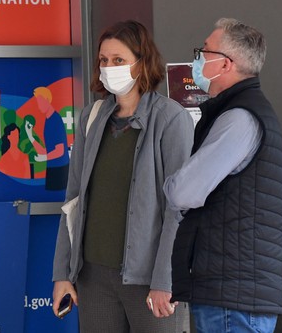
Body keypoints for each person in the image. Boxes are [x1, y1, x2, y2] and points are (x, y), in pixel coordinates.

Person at [52, 20, 194, 332]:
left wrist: (166, 279)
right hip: (93, 279)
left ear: (143, 63)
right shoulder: (91, 117)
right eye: (104, 60)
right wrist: (63, 273)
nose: (109, 67)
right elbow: (73, 200)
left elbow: (179, 209)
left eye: (119, 60)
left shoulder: (171, 119)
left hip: (149, 281)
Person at [164, 18, 282, 333]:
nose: (197, 59)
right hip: (234, 291)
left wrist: (167, 182)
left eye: (204, 51)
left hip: (233, 297)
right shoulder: (241, 111)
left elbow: (184, 192)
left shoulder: (239, 117)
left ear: (226, 64)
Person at [25, 87, 69, 191]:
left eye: (40, 101)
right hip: (52, 169)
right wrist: (30, 136)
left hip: (59, 170)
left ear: (47, 100)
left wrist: (43, 158)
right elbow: (45, 151)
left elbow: (60, 151)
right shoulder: (48, 120)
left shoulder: (55, 120)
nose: (38, 105)